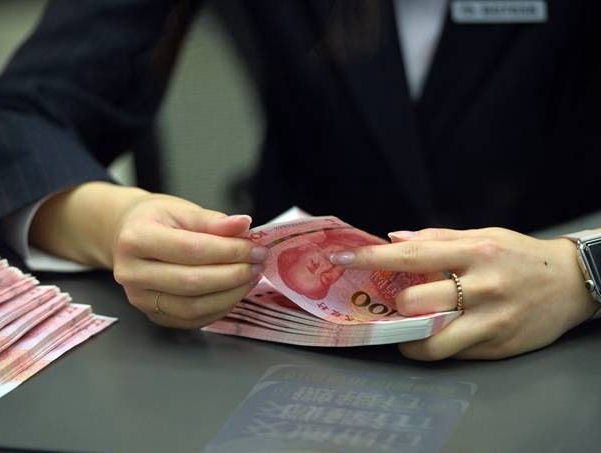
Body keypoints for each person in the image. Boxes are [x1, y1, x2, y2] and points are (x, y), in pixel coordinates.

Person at [0, 0, 599, 360]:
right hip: (291, 347)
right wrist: (115, 223)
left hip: (569, 334)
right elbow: (25, 115)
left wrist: (581, 272)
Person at [276, 228, 375, 300]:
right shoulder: (373, 265)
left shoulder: (335, 228)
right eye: (326, 278)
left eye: (314, 264)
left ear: (305, 248)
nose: (329, 266)